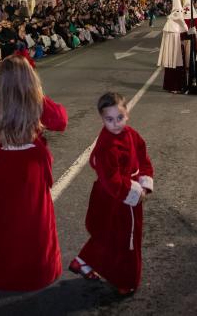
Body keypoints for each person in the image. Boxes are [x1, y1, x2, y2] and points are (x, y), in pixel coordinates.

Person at [0, 55, 68, 291]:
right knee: (34, 218)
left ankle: (2, 269)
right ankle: (35, 269)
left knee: (3, 218)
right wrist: (38, 97)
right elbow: (61, 121)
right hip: (30, 164)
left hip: (5, 162)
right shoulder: (38, 103)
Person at [70, 92, 154, 295]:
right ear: (102, 119)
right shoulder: (106, 145)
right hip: (114, 197)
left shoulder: (132, 135)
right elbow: (111, 178)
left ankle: (83, 261)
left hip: (126, 193)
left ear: (127, 115)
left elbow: (143, 158)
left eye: (120, 117)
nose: (116, 123)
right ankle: (125, 280)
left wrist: (144, 180)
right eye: (109, 119)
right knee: (125, 239)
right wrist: (134, 192)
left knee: (112, 234)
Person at [157, 0, 189, 93]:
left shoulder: (180, 23)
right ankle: (172, 86)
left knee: (180, 69)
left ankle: (180, 86)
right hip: (173, 53)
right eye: (178, 12)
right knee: (172, 68)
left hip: (179, 51)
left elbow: (186, 35)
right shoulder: (169, 24)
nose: (180, 15)